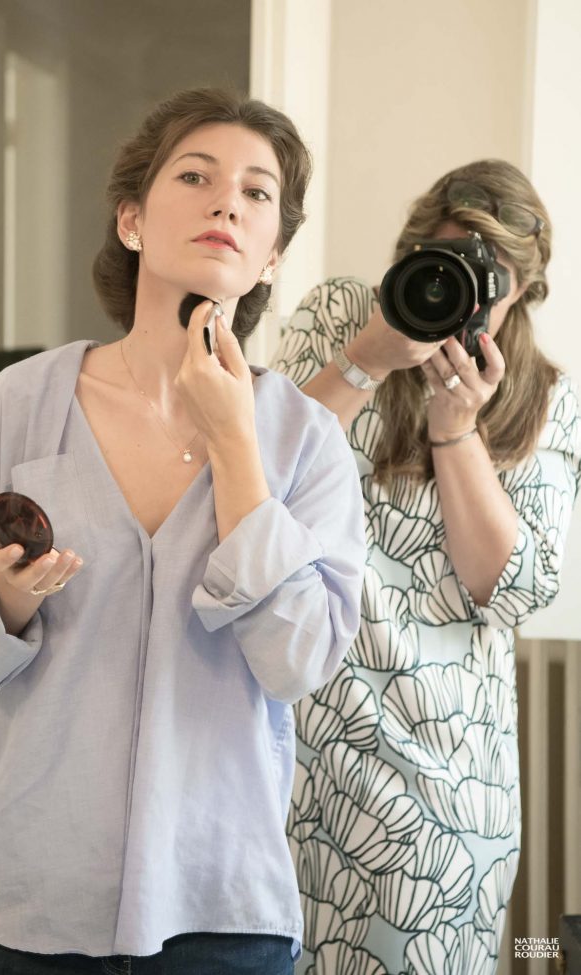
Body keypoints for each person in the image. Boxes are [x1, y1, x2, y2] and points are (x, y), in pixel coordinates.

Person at [0, 87, 367, 974]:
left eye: (256, 193)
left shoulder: (304, 440)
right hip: (29, 900)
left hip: (220, 905)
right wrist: (5, 597)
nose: (226, 203)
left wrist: (237, 447)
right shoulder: (19, 405)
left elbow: (301, 661)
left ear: (272, 254)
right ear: (131, 220)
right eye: (197, 176)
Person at [272, 159, 581, 975]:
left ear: (527, 289)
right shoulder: (344, 313)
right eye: (445, 262)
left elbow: (510, 588)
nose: (466, 292)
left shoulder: (548, 397)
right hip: (299, 757)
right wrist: (371, 357)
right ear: (411, 254)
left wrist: (456, 426)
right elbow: (259, 477)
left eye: (495, 277)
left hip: (445, 781)